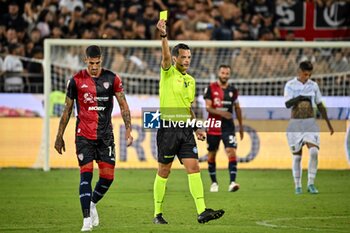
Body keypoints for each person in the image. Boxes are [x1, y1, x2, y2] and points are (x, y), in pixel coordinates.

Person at [153, 19, 225, 225]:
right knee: (164, 171)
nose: (186, 60)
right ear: (175, 58)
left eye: (189, 57)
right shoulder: (168, 72)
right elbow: (165, 56)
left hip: (185, 131)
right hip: (168, 129)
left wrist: (197, 127)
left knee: (194, 168)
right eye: (183, 57)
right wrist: (164, 35)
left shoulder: (191, 81)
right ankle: (157, 214)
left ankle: (202, 211)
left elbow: (188, 108)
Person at [54, 45, 133, 231]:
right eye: (91, 63)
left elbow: (124, 105)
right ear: (85, 60)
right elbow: (67, 110)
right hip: (84, 136)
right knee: (86, 176)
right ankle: (86, 220)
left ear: (101, 60)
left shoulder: (112, 79)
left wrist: (129, 130)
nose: (94, 67)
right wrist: (59, 136)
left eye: (97, 63)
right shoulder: (75, 81)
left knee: (108, 177)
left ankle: (91, 203)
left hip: (105, 136)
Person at [284, 61, 334, 195]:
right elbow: (287, 104)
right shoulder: (290, 85)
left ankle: (311, 183)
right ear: (299, 72)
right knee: (297, 158)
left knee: (314, 152)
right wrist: (299, 98)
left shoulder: (314, 85)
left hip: (310, 123)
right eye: (305, 74)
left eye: (309, 75)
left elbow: (320, 104)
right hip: (295, 124)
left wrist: (329, 123)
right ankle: (298, 186)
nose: (307, 77)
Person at [203, 65, 244, 192]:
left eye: (227, 73)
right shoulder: (210, 88)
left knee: (231, 151)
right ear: (218, 73)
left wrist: (241, 126)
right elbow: (208, 108)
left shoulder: (233, 90)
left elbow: (237, 108)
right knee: (211, 155)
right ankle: (214, 183)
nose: (225, 75)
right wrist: (222, 113)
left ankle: (232, 182)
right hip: (214, 126)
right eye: (223, 73)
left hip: (228, 127)